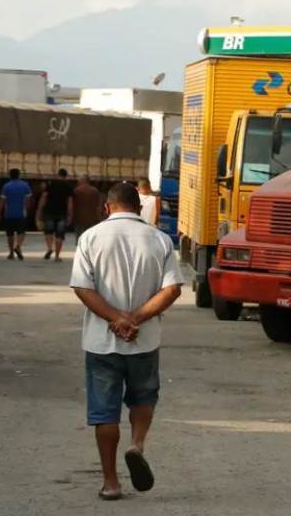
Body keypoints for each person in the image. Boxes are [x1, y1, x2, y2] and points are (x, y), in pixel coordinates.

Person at [70, 182, 183, 501]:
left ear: (107, 207)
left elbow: (82, 288)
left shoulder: (90, 237)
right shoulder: (159, 239)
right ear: (139, 207)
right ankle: (137, 444)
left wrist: (116, 319)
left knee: (104, 413)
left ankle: (111, 482)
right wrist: (136, 318)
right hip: (144, 340)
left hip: (102, 343)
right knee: (143, 397)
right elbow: (172, 289)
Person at [37, 168, 74, 262]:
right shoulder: (68, 186)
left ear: (58, 174)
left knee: (48, 232)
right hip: (62, 214)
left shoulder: (50, 184)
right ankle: (57, 256)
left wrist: (40, 210)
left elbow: (44, 197)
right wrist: (70, 215)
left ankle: (50, 248)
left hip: (49, 212)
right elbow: (70, 202)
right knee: (60, 235)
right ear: (66, 176)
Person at [0, 168, 32, 260]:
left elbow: (2, 201)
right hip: (21, 213)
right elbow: (28, 200)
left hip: (9, 214)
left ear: (10, 175)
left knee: (10, 234)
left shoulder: (6, 186)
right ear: (19, 175)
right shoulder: (25, 185)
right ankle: (18, 246)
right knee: (21, 232)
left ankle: (11, 253)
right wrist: (27, 209)